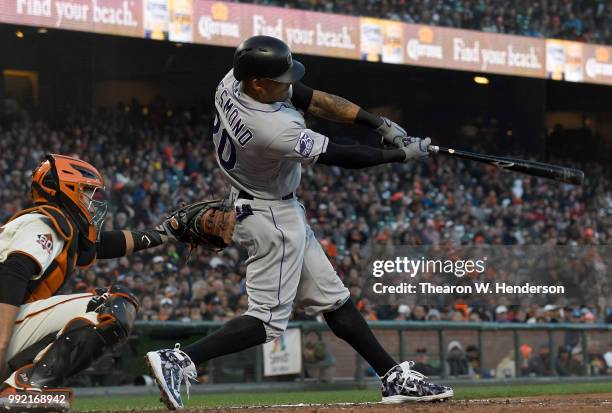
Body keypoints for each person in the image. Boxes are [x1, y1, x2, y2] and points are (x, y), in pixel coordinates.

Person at [145, 35, 452, 409]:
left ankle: (392, 376)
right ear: (258, 82)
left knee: (333, 299)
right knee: (266, 321)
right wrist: (400, 156)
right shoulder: (271, 129)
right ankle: (179, 360)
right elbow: (342, 155)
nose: (289, 85)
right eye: (281, 79)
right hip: (271, 216)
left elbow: (311, 98)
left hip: (265, 204)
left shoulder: (233, 81)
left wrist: (377, 122)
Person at [0, 154, 180, 411]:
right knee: (111, 305)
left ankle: (19, 389)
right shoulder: (44, 221)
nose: (91, 201)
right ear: (64, 188)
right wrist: (2, 341)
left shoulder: (57, 228)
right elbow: (14, 270)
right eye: (86, 191)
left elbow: (103, 244)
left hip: (10, 323)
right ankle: (26, 387)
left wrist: (165, 235)